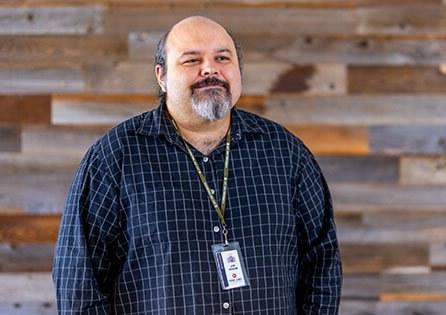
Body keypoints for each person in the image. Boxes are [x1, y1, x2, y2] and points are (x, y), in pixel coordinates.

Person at [53, 16, 342, 314]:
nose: (210, 69)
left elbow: (322, 263)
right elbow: (79, 285)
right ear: (161, 76)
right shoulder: (114, 158)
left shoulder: (287, 154)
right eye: (192, 60)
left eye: (222, 58)